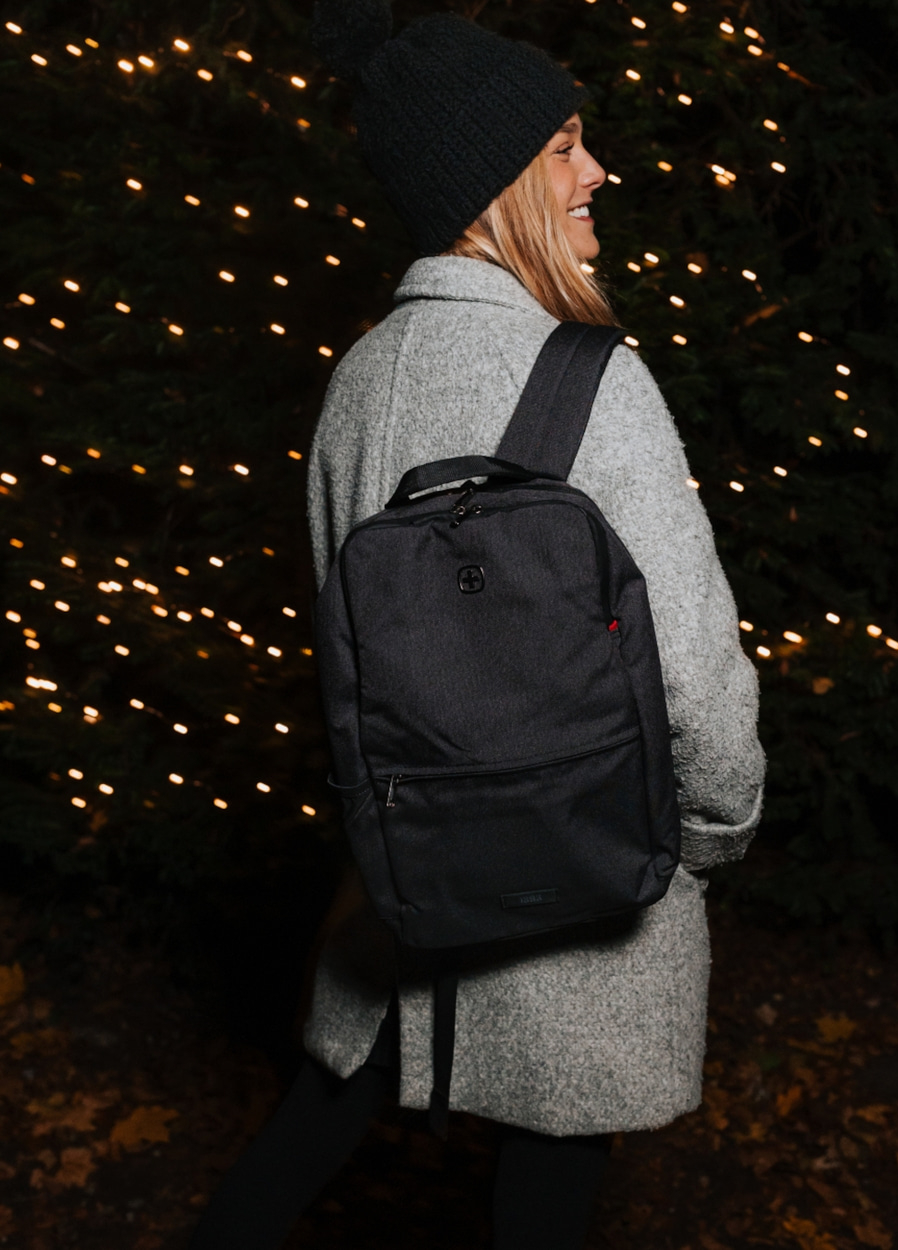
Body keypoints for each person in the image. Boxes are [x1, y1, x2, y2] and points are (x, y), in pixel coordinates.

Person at [189, 2, 765, 1247]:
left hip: (413, 865)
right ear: (492, 180)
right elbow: (700, 681)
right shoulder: (593, 375)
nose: (595, 169)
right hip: (586, 863)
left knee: (314, 1126)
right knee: (547, 1185)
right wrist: (710, 831)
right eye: (564, 145)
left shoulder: (357, 378)